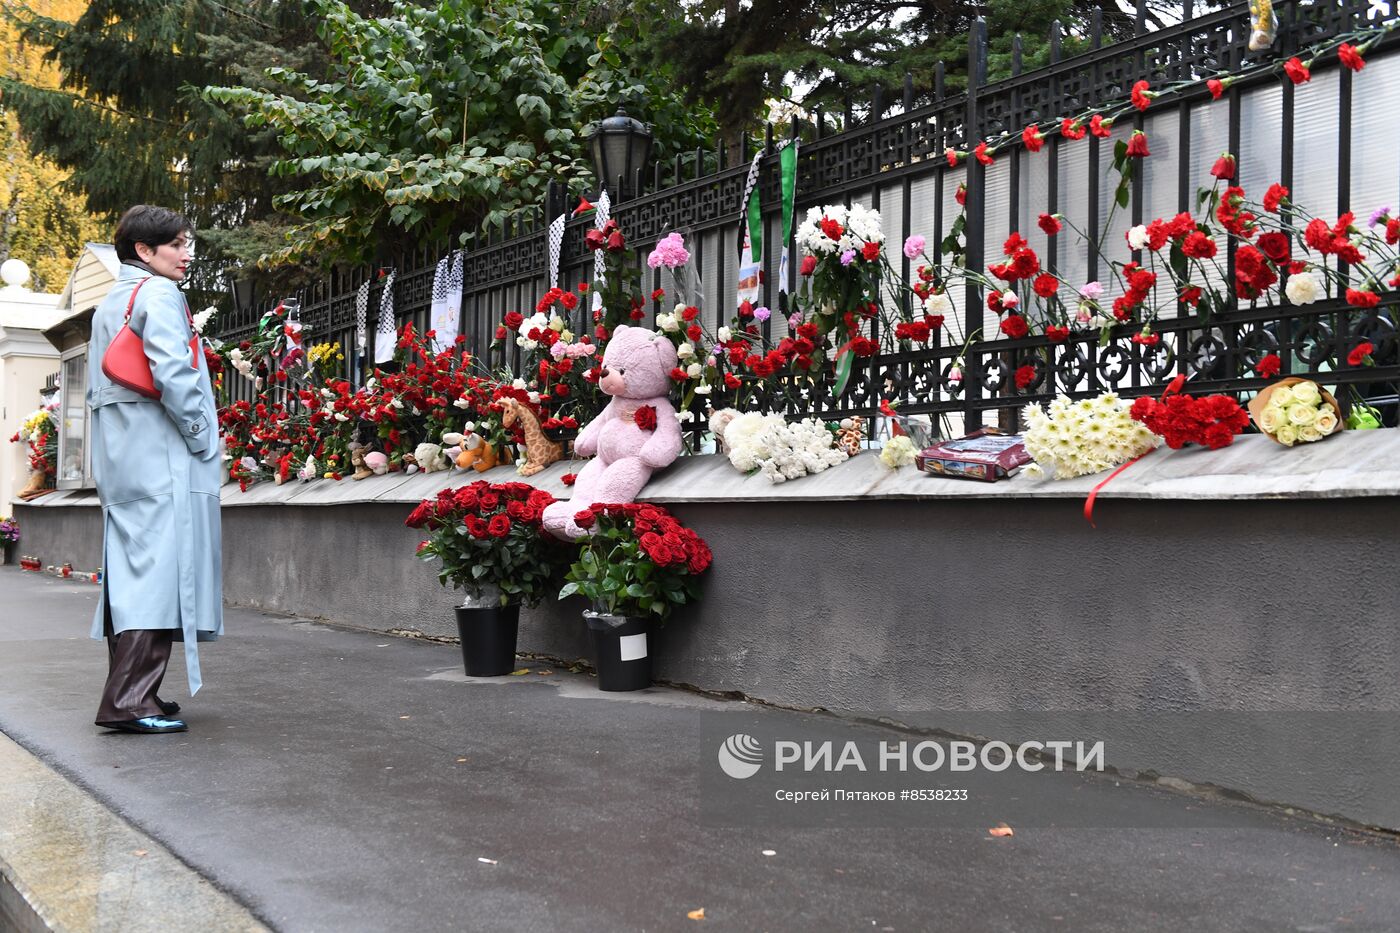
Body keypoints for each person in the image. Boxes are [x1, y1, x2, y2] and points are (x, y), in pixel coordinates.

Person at [87, 205, 223, 734]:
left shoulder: (113, 301)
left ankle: (136, 691)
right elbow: (175, 374)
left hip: (123, 457)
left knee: (131, 571)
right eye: (178, 245)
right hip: (159, 455)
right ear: (145, 251)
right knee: (161, 571)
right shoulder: (160, 294)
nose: (187, 255)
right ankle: (127, 700)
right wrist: (202, 438)